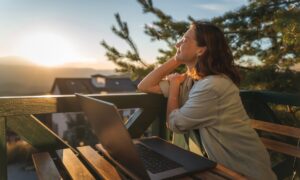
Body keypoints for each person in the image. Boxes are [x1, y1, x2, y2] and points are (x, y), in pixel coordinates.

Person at [138, 21, 276, 180]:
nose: (178, 43)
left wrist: (174, 87)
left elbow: (175, 124)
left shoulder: (213, 86)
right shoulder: (190, 80)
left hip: (241, 171)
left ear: (201, 50)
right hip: (213, 166)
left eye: (185, 40)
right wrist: (178, 58)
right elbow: (145, 86)